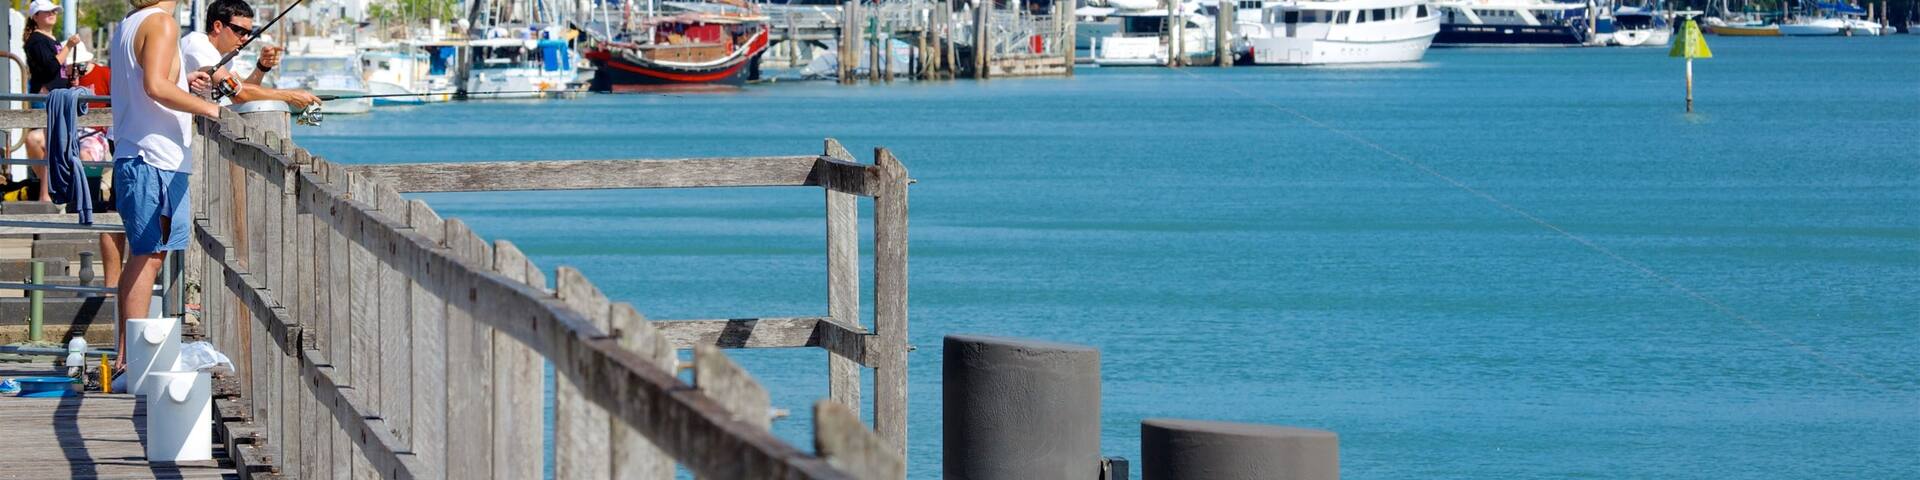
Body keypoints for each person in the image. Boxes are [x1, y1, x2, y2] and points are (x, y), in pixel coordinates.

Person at [109, 0, 222, 369]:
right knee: (148, 260)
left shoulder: (131, 22)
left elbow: (152, 83)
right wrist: (209, 108)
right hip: (154, 159)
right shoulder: (161, 22)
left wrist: (183, 85)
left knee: (141, 258)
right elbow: (155, 86)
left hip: (135, 154)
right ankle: (135, 362)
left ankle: (127, 357)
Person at [181, 0, 320, 109]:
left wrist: (261, 67)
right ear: (218, 26)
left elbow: (243, 88)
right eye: (240, 31)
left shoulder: (223, 56)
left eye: (249, 32)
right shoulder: (198, 45)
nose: (245, 38)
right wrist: (290, 95)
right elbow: (239, 94)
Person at [22, 0, 83, 202]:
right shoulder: (37, 40)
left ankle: (50, 190)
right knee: (49, 143)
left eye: (53, 10)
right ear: (35, 16)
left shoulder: (48, 39)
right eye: (45, 11)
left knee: (54, 144)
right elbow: (49, 67)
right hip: (47, 99)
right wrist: (69, 46)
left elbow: (56, 69)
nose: (51, 13)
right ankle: (46, 193)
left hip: (57, 97)